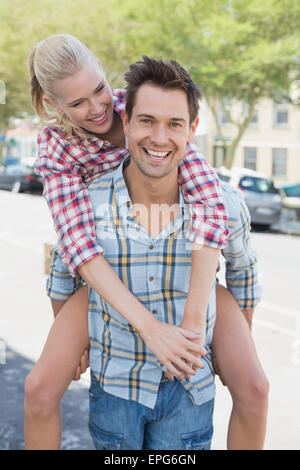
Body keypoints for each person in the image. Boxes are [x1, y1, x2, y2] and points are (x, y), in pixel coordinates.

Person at [24, 36, 268, 450]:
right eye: (78, 103)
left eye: (98, 89)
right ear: (53, 104)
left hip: (181, 255)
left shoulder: (143, 106)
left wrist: (204, 329)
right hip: (106, 259)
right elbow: (75, 247)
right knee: (39, 389)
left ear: (104, 71)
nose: (97, 108)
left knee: (255, 386)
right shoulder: (58, 149)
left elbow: (211, 205)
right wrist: (81, 335)